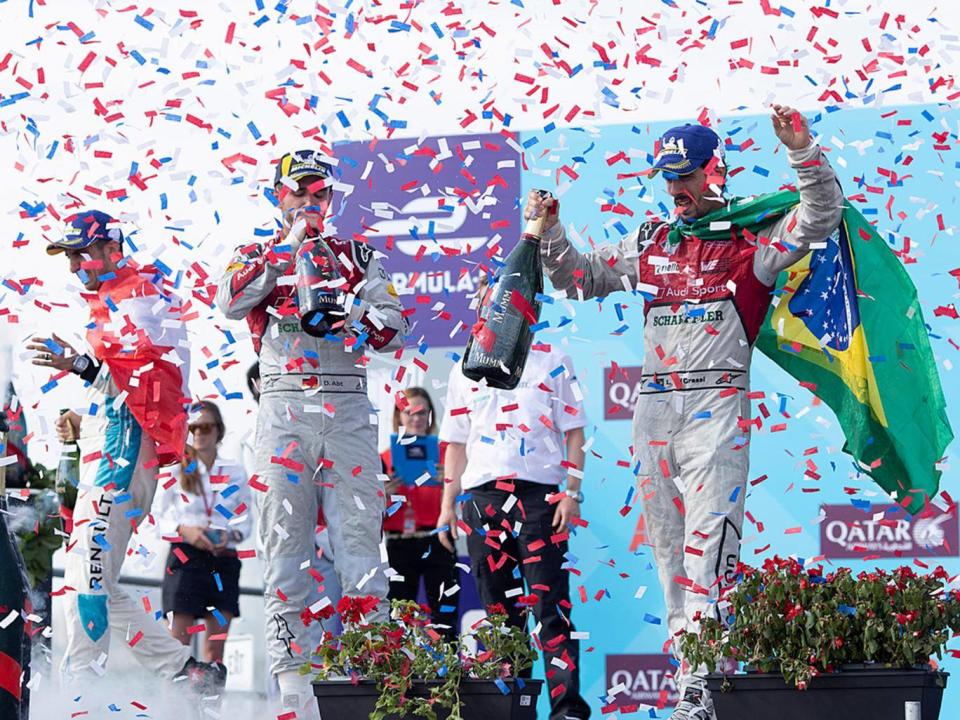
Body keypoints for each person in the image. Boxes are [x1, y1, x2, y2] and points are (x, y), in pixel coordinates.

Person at [526, 105, 844, 719]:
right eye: (668, 178)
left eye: (687, 177)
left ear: (714, 171)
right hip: (653, 411)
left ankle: (703, 685)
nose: (676, 190)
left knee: (709, 552)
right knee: (670, 559)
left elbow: (821, 217)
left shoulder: (751, 240)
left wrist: (802, 150)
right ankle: (693, 683)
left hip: (716, 406)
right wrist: (552, 230)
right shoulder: (649, 241)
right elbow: (578, 278)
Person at [216, 149, 408, 716]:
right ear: (278, 196)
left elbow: (395, 330)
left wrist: (349, 309)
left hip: (347, 407)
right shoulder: (256, 251)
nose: (309, 201)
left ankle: (372, 676)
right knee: (284, 547)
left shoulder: (358, 255)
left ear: (332, 198)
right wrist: (285, 256)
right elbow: (227, 300)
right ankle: (293, 690)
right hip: (283, 404)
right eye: (298, 192)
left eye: (318, 193)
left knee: (359, 548)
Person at [30, 209, 226, 692]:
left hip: (124, 457)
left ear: (109, 248)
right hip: (114, 450)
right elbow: (124, 384)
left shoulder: (138, 293)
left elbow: (149, 385)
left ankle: (83, 696)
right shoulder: (117, 296)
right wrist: (85, 415)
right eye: (70, 257)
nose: (76, 266)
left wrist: (79, 364)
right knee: (90, 576)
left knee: (88, 583)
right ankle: (186, 672)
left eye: (81, 254)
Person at [437, 335, 591, 720]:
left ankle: (566, 710)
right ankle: (514, 710)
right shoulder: (465, 366)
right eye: (486, 299)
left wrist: (572, 492)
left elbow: (574, 432)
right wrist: (446, 506)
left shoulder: (553, 358)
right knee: (501, 615)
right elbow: (456, 443)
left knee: (550, 607)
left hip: (539, 499)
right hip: (481, 502)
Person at [152, 401, 251, 664]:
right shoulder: (174, 469)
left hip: (223, 558)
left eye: (205, 427)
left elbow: (244, 521)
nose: (198, 433)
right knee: (178, 647)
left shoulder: (235, 471)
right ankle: (173, 704)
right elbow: (157, 518)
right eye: (192, 427)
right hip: (186, 557)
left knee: (214, 652)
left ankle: (212, 703)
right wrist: (185, 531)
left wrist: (228, 536)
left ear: (218, 431)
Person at [381, 387, 459, 642]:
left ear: (431, 415)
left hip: (438, 539)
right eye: (409, 412)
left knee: (445, 617)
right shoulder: (383, 457)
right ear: (398, 416)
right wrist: (383, 493)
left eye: (422, 412)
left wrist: (450, 481)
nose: (416, 418)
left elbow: (470, 494)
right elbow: (367, 509)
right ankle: (400, 678)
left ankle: (449, 677)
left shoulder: (448, 453)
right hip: (398, 543)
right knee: (398, 619)